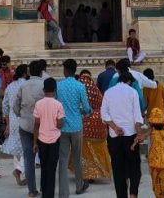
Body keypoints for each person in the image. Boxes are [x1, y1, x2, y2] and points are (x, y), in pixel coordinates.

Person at [101, 70, 145, 198]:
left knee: (118, 169)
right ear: (129, 81)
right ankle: (133, 194)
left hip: (115, 137)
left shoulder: (108, 92)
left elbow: (104, 114)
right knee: (134, 167)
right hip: (131, 136)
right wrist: (139, 134)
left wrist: (115, 127)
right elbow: (137, 116)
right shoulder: (132, 92)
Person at [56, 58, 92, 197]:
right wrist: (85, 112)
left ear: (65, 70)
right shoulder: (80, 86)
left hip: (63, 127)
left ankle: (63, 192)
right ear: (75, 71)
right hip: (77, 126)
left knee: (63, 159)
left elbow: (56, 105)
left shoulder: (59, 86)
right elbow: (87, 107)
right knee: (77, 157)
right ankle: (79, 186)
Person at [15, 60, 46, 198]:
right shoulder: (44, 85)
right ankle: (45, 187)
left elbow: (15, 106)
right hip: (42, 127)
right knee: (45, 158)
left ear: (29, 72)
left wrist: (21, 115)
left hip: (25, 125)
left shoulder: (23, 85)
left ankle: (32, 190)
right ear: (41, 72)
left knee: (28, 159)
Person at [33, 77, 65, 198]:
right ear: (55, 90)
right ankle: (49, 194)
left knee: (44, 167)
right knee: (51, 169)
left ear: (44, 89)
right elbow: (60, 124)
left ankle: (43, 191)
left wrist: (34, 143)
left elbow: (36, 124)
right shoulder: (58, 104)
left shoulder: (38, 104)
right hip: (54, 140)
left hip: (41, 140)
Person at [77, 70, 112, 182]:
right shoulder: (97, 93)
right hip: (98, 123)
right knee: (97, 149)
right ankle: (97, 171)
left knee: (85, 151)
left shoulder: (78, 91)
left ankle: (87, 174)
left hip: (83, 124)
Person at [2, 64, 30, 186]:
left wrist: (7, 124)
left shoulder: (10, 86)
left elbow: (5, 106)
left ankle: (19, 174)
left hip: (13, 121)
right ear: (25, 73)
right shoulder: (26, 85)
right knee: (27, 147)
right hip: (24, 119)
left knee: (16, 147)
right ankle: (19, 170)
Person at [144, 107, 164, 198]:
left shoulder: (151, 131)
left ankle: (159, 195)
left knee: (156, 179)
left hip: (154, 161)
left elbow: (145, 134)